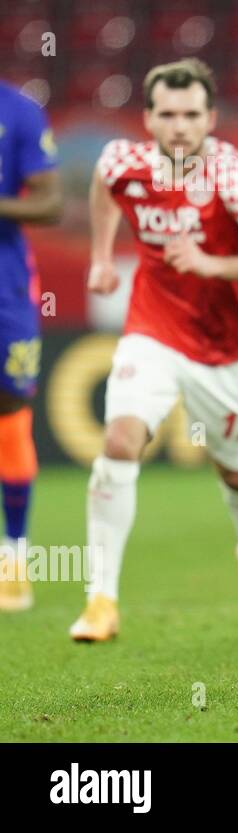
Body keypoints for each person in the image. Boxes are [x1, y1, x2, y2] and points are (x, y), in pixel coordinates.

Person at [71, 58, 238, 642]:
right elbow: (105, 188)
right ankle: (101, 598)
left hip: (225, 347)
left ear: (211, 118)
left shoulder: (234, 176)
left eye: (191, 115)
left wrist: (211, 264)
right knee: (120, 439)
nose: (179, 126)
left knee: (235, 471)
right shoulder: (123, 161)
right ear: (148, 119)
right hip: (152, 328)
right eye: (168, 115)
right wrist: (102, 257)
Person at [0, 81, 62, 612]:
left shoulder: (16, 110)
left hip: (6, 284)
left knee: (10, 411)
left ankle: (14, 557)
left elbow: (49, 201)